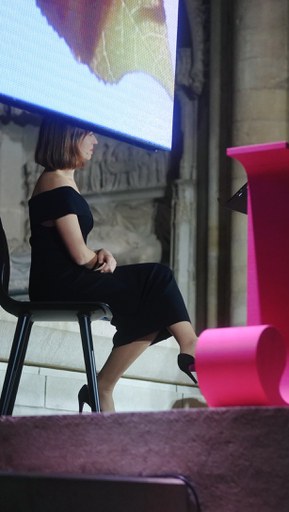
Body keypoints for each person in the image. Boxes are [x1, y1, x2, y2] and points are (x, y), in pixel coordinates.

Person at [28, 116, 198, 413]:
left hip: (68, 278)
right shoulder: (54, 181)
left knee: (153, 303)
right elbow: (80, 255)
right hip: (56, 284)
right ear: (69, 136)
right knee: (157, 278)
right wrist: (99, 255)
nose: (96, 141)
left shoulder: (64, 180)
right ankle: (190, 347)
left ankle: (102, 387)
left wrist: (98, 253)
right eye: (90, 134)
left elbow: (77, 251)